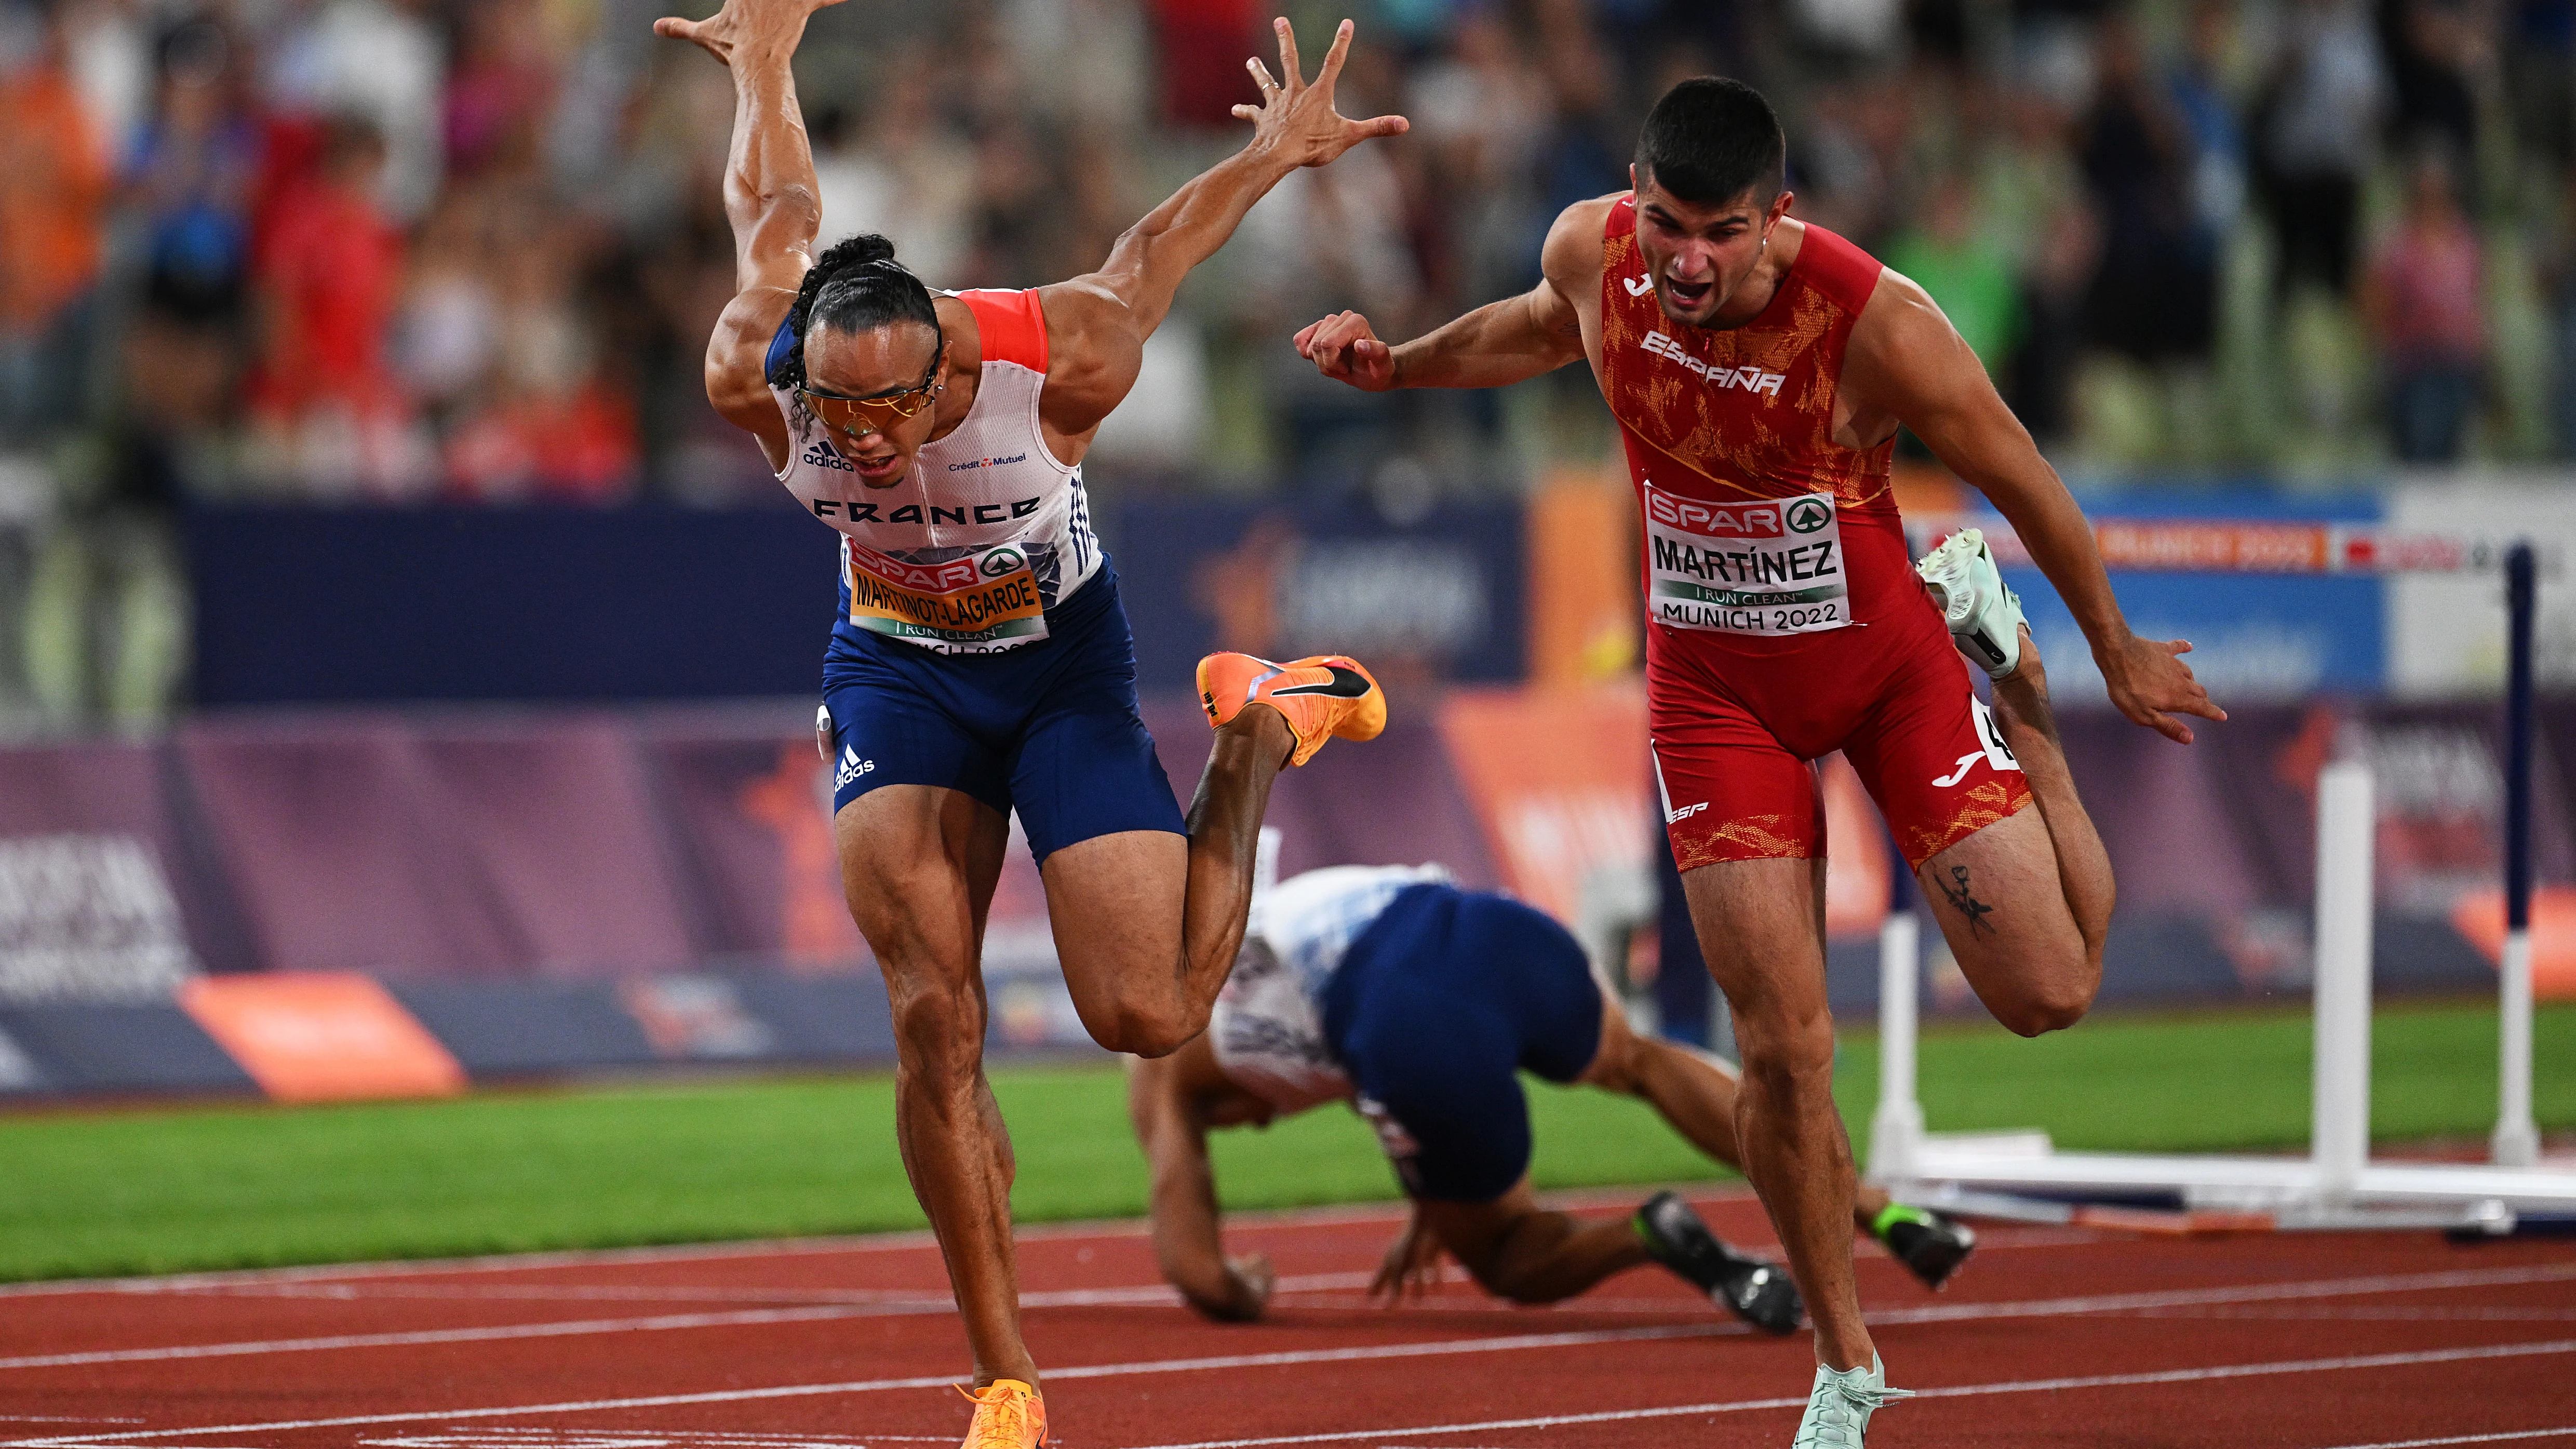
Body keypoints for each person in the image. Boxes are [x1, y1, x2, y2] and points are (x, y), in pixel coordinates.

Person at [1290, 77, 2222, 1446]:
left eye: (1720, 233)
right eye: (1666, 221)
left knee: (2051, 990)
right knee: (1784, 1050)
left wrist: (2117, 646)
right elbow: (1540, 328)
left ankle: (2018, 701)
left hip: (1891, 674)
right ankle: (1846, 1360)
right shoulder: (1592, 249)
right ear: (1633, 190)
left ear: (1779, 220)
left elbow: (2023, 475)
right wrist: (1403, 362)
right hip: (1714, 697)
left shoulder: (1874, 321)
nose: (1685, 258)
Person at [656, 4, 1404, 1446]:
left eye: (894, 409)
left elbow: (1155, 253)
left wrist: (1274, 156)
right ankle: (1007, 1374)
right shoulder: (764, 368)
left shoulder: (1057, 355)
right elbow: (777, 209)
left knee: (1149, 1013)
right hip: (895, 668)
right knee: (934, 1017)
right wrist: (762, 64)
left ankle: (1257, 735)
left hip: (1059, 662)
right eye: (842, 416)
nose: (865, 440)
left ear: (945, 369)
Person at [1128, 863, 1978, 1331]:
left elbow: (1194, 1269)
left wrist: (1239, 1287)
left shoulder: (1174, 1066)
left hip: (1404, 1017)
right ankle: (1876, 1205)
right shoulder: (1255, 936)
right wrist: (1434, 1200)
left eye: (1250, 1118)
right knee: (1640, 1060)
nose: (1264, 1120)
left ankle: (1648, 1233)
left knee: (1506, 1257)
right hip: (1487, 927)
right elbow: (1365, 1047)